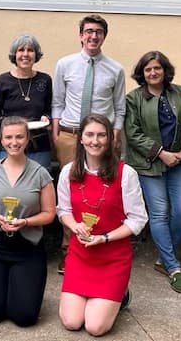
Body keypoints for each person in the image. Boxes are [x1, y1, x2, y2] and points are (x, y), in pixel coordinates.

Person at [57, 114, 147, 336]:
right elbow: (63, 210)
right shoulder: (68, 171)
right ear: (80, 138)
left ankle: (119, 294)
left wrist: (104, 237)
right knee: (71, 321)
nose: (94, 141)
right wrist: (75, 225)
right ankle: (98, 300)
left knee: (95, 327)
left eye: (101, 135)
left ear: (110, 138)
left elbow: (138, 220)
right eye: (89, 135)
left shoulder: (126, 174)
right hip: (80, 256)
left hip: (112, 258)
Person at [51, 14, 126, 273]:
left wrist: (115, 134)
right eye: (89, 31)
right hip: (71, 135)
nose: (93, 36)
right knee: (72, 194)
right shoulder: (65, 64)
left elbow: (119, 106)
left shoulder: (115, 69)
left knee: (98, 194)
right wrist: (56, 131)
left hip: (101, 139)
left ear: (104, 36)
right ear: (81, 35)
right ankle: (68, 249)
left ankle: (98, 243)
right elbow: (57, 101)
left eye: (98, 32)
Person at [0, 116, 56, 327]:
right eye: (8, 137)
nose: (14, 142)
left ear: (27, 139)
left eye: (19, 137)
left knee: (24, 317)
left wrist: (26, 222)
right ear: (1, 140)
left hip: (27, 247)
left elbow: (49, 214)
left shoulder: (41, 173)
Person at [125, 51, 181, 294]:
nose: (153, 73)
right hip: (148, 164)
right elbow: (132, 134)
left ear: (165, 70)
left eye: (157, 68)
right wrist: (161, 152)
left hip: (179, 162)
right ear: (142, 73)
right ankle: (173, 268)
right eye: (148, 69)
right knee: (160, 212)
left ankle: (164, 256)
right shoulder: (133, 99)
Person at [0, 34, 52, 171]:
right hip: (9, 144)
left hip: (38, 144)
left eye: (30, 50)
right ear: (14, 54)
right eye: (21, 50)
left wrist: (47, 117)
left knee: (39, 185)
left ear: (36, 54)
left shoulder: (45, 80)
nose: (25, 54)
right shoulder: (3, 81)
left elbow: (50, 109)